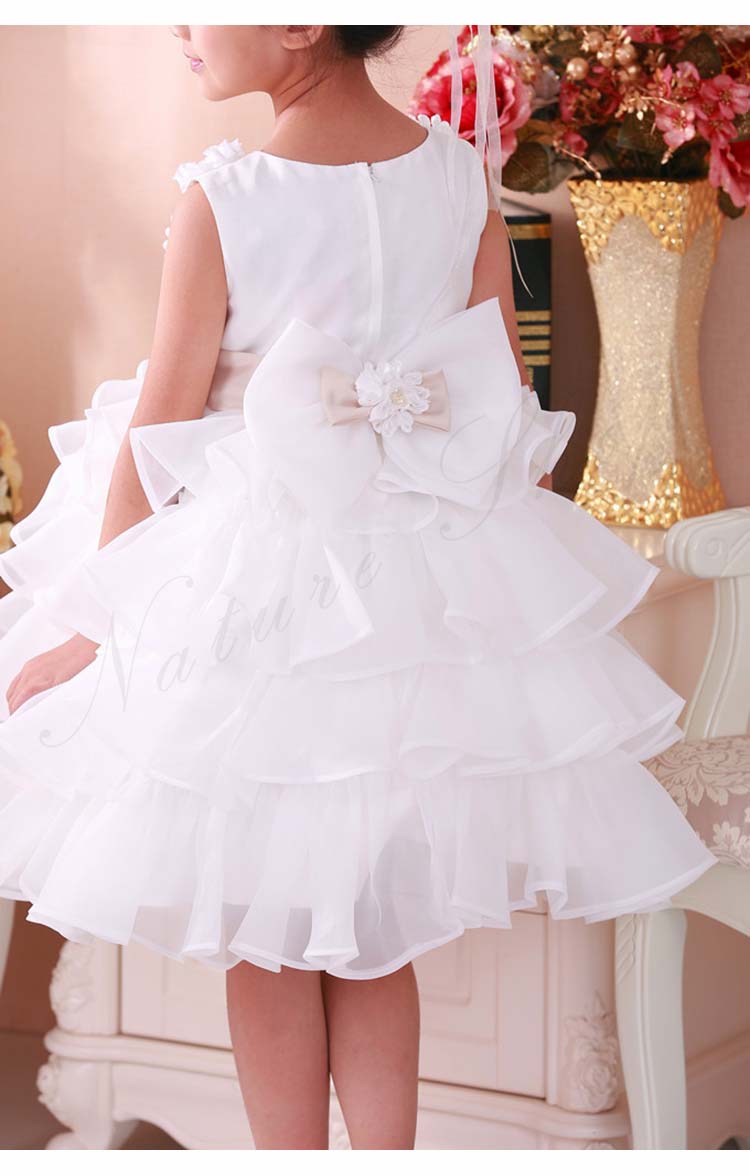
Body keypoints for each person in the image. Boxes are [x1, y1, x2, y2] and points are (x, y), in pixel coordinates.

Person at [0, 26, 717, 1150]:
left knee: (270, 943)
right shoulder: (459, 176)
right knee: (376, 936)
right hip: (416, 598)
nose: (184, 27)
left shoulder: (226, 200)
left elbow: (160, 430)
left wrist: (92, 625)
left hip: (256, 606)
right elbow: (499, 400)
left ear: (297, 20)